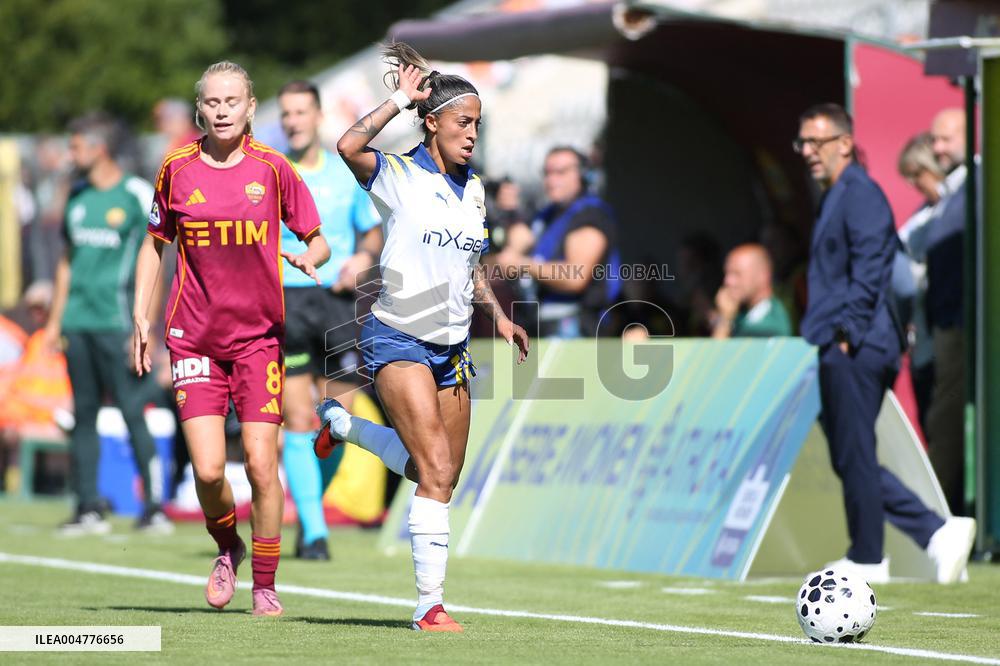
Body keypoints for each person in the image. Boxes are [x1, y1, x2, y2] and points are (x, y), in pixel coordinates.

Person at [318, 42, 529, 631]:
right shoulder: (399, 174)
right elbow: (347, 146)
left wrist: (501, 316)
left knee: (434, 473)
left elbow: (471, 267)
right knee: (434, 467)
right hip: (397, 340)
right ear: (432, 121)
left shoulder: (477, 191)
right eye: (464, 122)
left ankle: (346, 427)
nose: (472, 134)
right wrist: (397, 102)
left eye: (478, 125)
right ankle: (428, 606)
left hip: (453, 348)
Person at [132, 61, 330, 617]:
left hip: (258, 341)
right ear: (201, 109)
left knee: (264, 466)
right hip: (193, 339)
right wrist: (141, 320)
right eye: (212, 102)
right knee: (211, 471)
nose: (222, 111)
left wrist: (306, 255)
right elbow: (154, 245)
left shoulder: (273, 169)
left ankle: (265, 584)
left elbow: (319, 241)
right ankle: (228, 548)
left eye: (232, 101)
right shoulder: (175, 168)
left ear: (250, 108)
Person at [794, 103, 974, 584]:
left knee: (852, 450)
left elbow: (871, 262)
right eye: (803, 143)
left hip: (858, 340)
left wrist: (848, 332)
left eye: (817, 142)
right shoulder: (837, 194)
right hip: (848, 338)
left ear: (845, 143)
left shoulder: (859, 193)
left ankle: (870, 555)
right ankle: (934, 532)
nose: (808, 152)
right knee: (848, 452)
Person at [41, 112, 171, 536]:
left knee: (134, 410)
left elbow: (157, 256)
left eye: (76, 145)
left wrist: (148, 325)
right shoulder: (76, 198)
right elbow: (66, 262)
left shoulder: (136, 194)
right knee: (83, 414)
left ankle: (153, 507)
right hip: (78, 323)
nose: (70, 153)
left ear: (98, 148)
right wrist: (55, 322)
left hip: (120, 324)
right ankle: (87, 507)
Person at [277, 80, 383, 561]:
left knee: (336, 421)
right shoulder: (271, 173)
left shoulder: (345, 173)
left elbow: (372, 231)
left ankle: (309, 510)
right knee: (298, 417)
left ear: (318, 116)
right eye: (286, 114)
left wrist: (362, 258)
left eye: (300, 112)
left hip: (338, 305)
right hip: (289, 302)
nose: (293, 120)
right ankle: (315, 532)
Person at [496, 147, 619, 337]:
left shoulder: (591, 214)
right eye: (547, 173)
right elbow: (514, 247)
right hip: (540, 324)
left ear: (583, 175)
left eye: (561, 172)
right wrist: (508, 213)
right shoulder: (547, 214)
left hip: (579, 327)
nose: (551, 180)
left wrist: (522, 264)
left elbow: (575, 276)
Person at [926, 108, 969, 516]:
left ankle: (935, 522)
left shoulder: (975, 185)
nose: (937, 147)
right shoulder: (953, 190)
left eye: (946, 138)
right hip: (948, 323)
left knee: (947, 423)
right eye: (933, 139)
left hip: (962, 325)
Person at [896, 132, 946, 431]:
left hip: (940, 332)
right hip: (919, 335)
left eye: (918, 174)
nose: (914, 184)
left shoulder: (953, 211)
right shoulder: (922, 215)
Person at [711, 244, 792, 338]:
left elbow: (719, 352)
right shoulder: (743, 314)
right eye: (727, 273)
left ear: (763, 276)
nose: (727, 281)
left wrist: (724, 320)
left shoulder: (772, 323)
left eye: (737, 274)